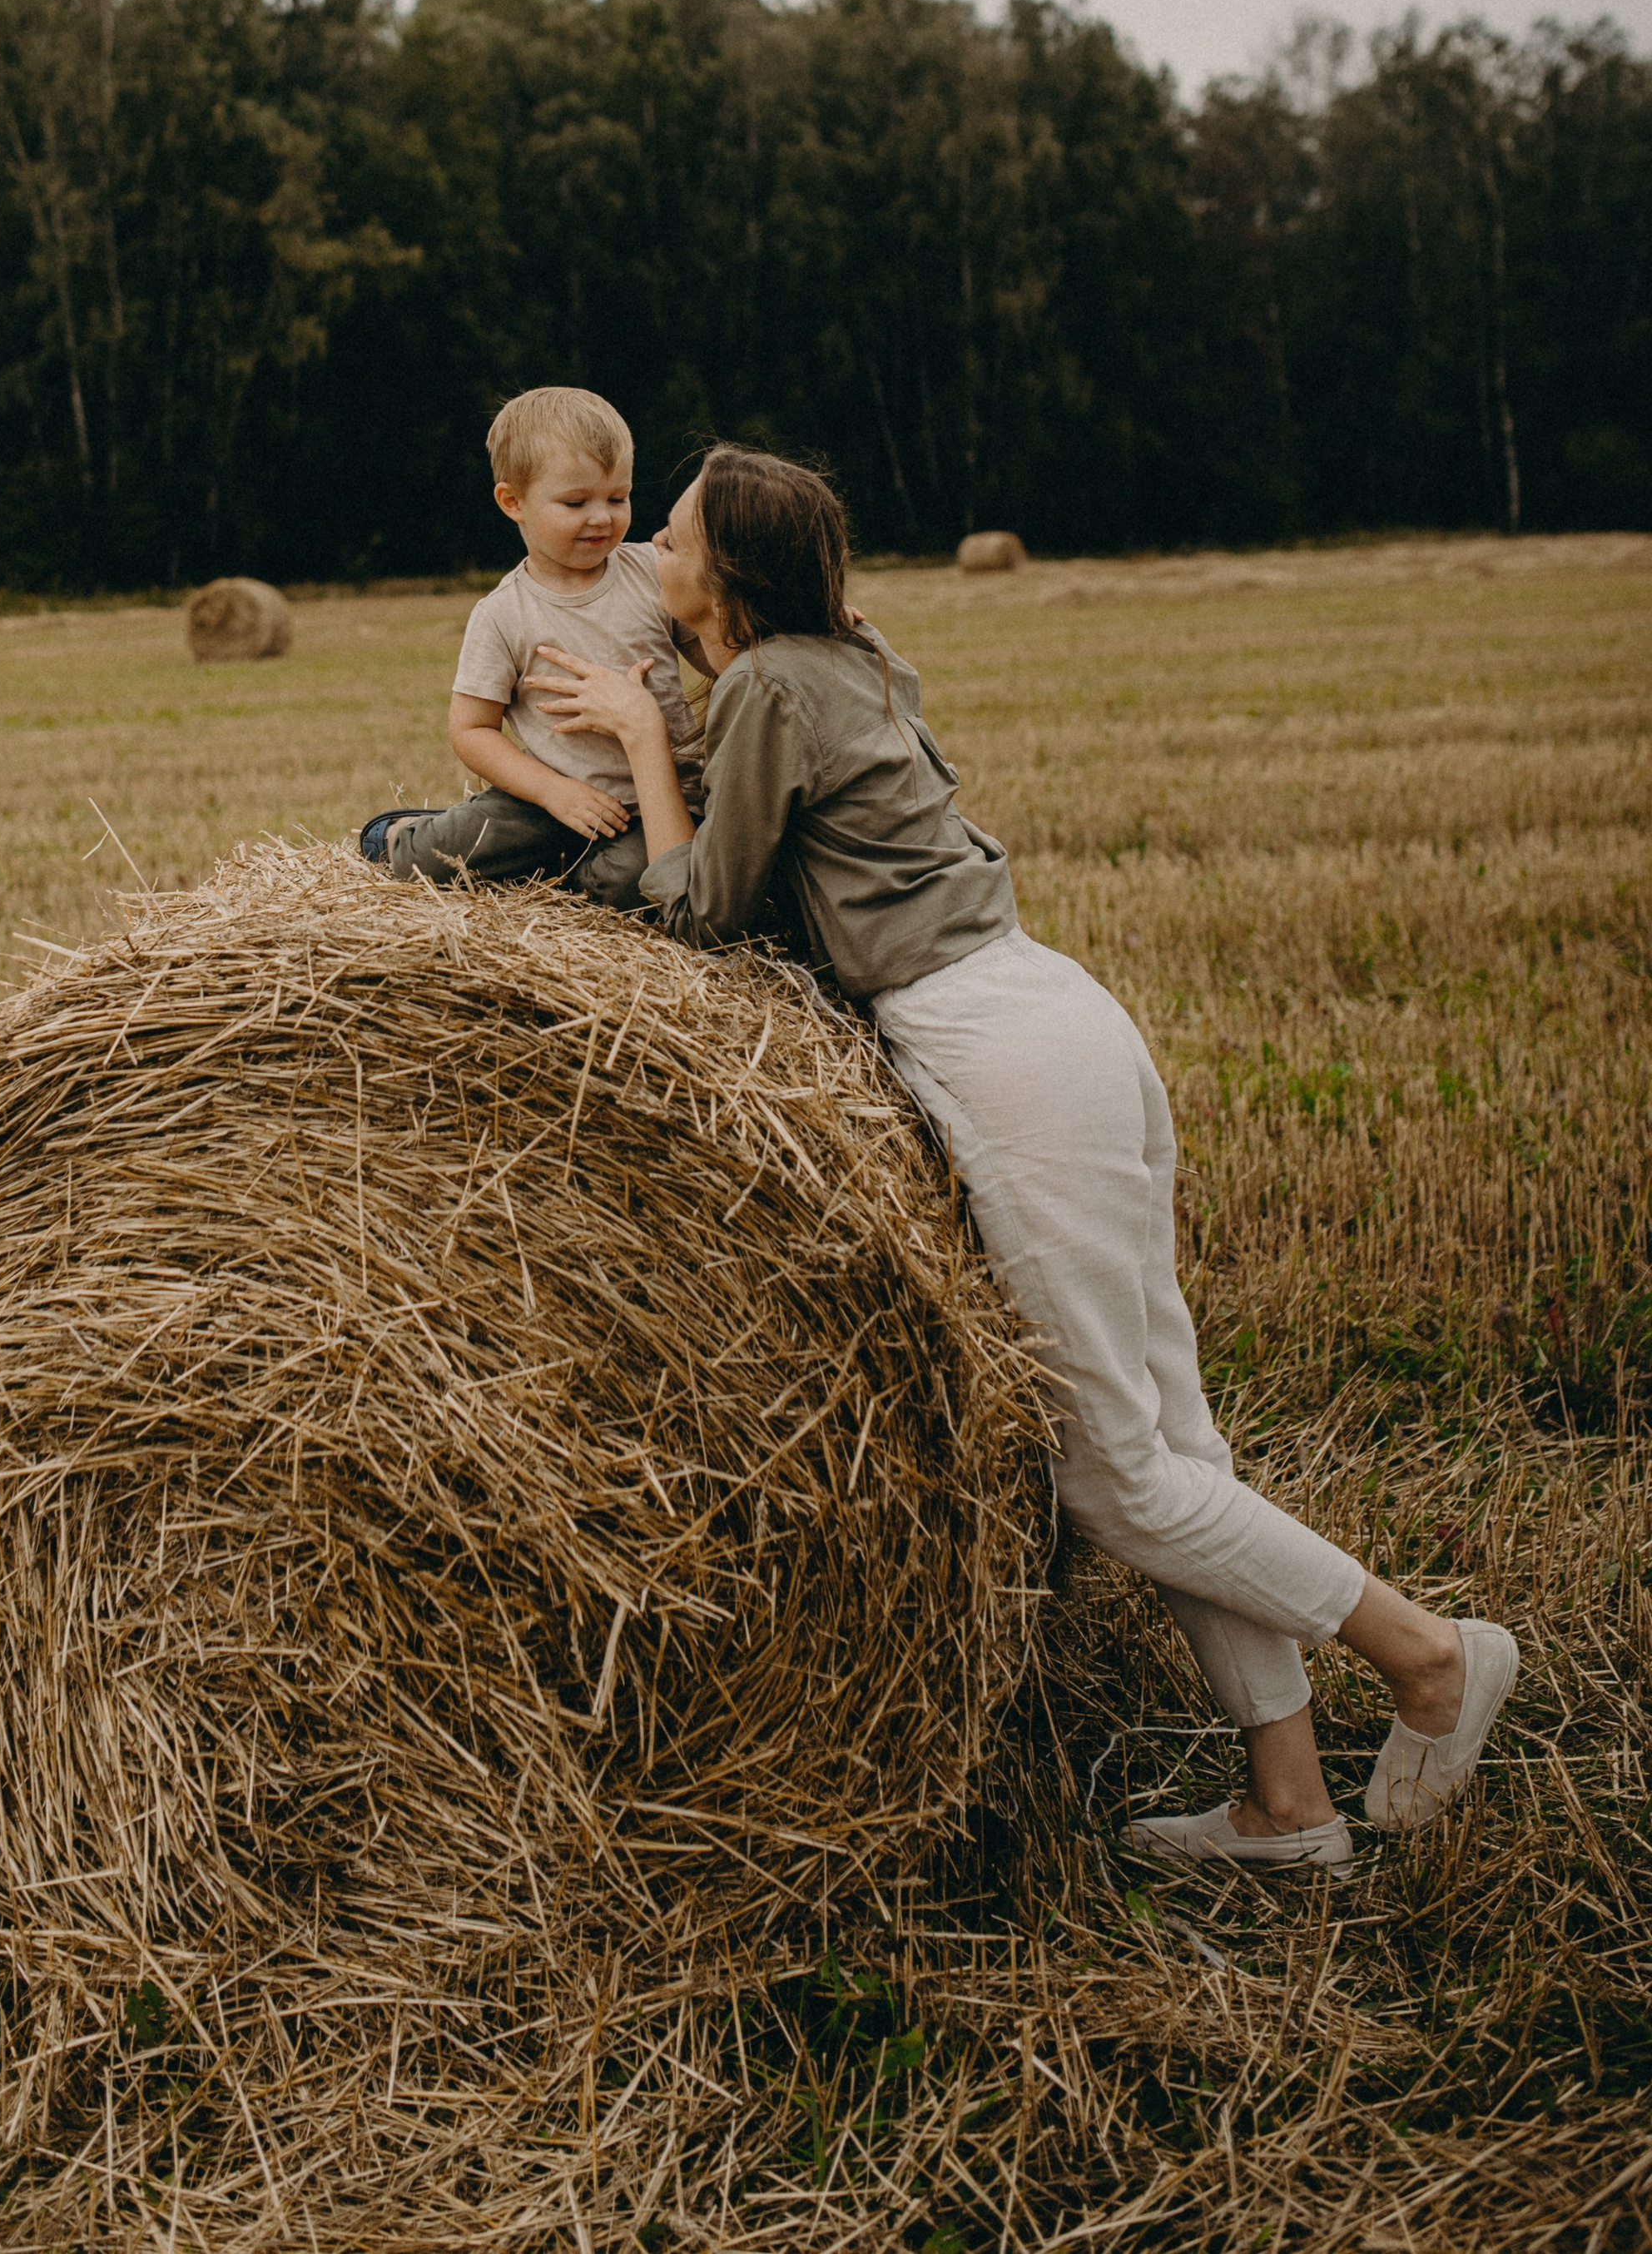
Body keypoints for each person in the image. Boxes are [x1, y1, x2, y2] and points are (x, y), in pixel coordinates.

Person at [523, 443, 1519, 1871]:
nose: (645, 555)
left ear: (724, 573)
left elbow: (704, 914)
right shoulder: (853, 657)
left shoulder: (767, 686)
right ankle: (1288, 1804)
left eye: (668, 538)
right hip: (1063, 1014)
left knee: (1115, 1480)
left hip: (999, 1054)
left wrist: (636, 733)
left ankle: (1429, 1656)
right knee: (1173, 1442)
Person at [360, 386, 704, 910]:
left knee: (636, 885)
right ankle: (398, 833)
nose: (602, 517)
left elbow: (715, 651)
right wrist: (552, 792)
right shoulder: (502, 615)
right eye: (576, 503)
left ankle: (564, 873)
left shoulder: (652, 572)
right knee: (429, 864)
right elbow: (472, 730)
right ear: (513, 502)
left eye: (618, 498)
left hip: (660, 799)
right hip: (548, 800)